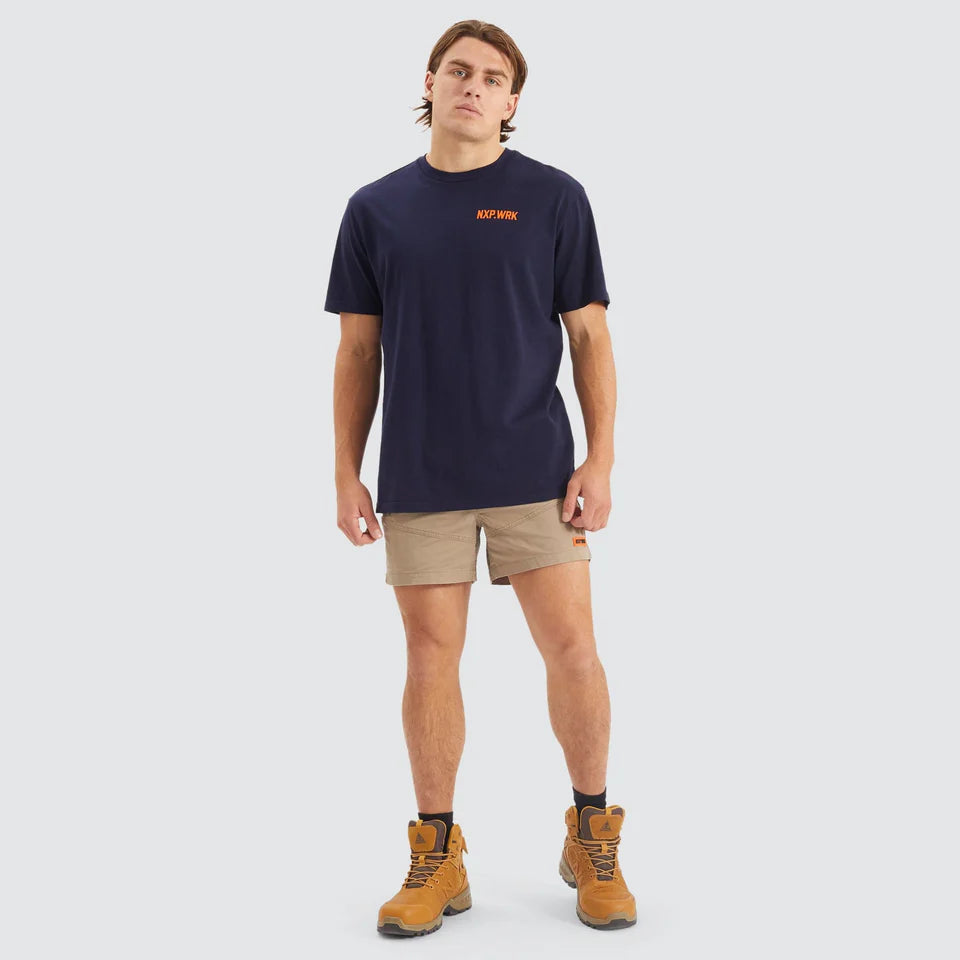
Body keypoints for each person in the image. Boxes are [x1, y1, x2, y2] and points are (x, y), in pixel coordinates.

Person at [323, 19, 636, 935]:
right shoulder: (375, 208)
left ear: (512, 102)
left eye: (493, 77)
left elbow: (590, 336)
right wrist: (345, 472)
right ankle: (438, 852)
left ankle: (593, 835)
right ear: (431, 83)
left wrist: (601, 457)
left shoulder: (554, 198)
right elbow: (357, 351)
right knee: (430, 658)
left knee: (573, 650)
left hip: (536, 469)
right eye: (458, 70)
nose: (474, 85)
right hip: (420, 475)